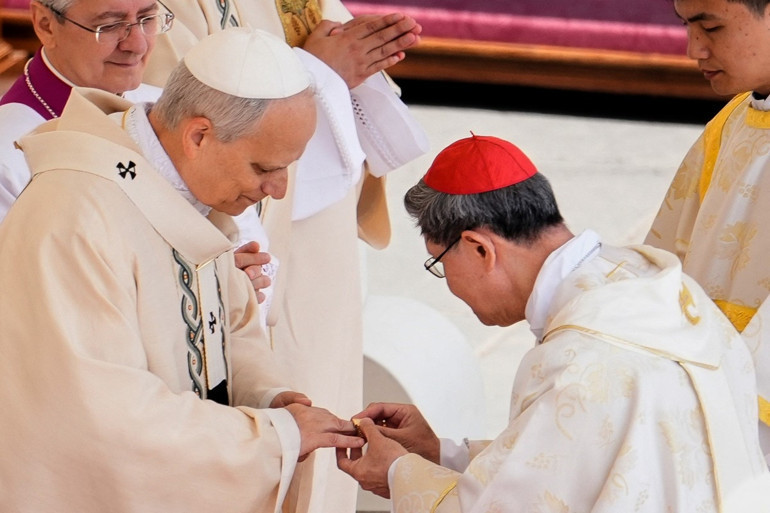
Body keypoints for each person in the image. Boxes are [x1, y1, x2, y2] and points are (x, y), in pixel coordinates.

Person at [0, 27, 365, 511]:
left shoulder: (186, 187)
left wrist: (270, 398)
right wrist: (274, 437)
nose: (278, 191)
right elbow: (104, 415)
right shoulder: (74, 215)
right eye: (264, 168)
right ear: (198, 135)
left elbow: (234, 330)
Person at [337, 135, 770, 512]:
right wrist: (439, 453)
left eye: (439, 262)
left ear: (478, 248)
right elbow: (570, 467)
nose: (448, 283)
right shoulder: (669, 294)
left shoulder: (577, 361)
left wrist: (396, 474)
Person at [144, 3, 430, 513]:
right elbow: (178, 119)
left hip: (323, 243)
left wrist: (349, 69)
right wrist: (317, 74)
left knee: (325, 400)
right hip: (261, 245)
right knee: (281, 404)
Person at [0, 0, 269, 294]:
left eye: (147, 18)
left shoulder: (170, 110)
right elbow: (30, 296)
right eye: (111, 25)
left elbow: (246, 243)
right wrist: (206, 283)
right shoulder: (8, 152)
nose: (138, 44)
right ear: (45, 24)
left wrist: (242, 279)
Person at [643, 0, 770, 462]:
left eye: (710, 26)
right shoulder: (733, 122)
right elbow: (664, 264)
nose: (694, 49)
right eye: (686, 26)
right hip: (703, 399)